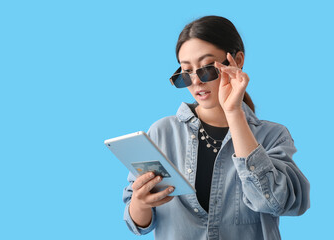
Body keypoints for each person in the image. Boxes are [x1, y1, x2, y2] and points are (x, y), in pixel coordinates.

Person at [122, 15, 310, 240]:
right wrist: (140, 202)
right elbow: (138, 224)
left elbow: (279, 203)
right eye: (186, 72)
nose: (196, 82)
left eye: (206, 69)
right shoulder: (161, 133)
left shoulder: (272, 136)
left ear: (237, 61)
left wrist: (234, 113)